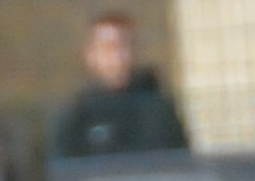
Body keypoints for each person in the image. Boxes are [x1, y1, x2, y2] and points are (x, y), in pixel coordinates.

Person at [50, 11, 190, 158]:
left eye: (125, 47)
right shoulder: (77, 115)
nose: (119, 57)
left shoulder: (158, 108)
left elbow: (180, 162)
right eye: (109, 48)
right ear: (91, 55)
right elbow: (66, 172)